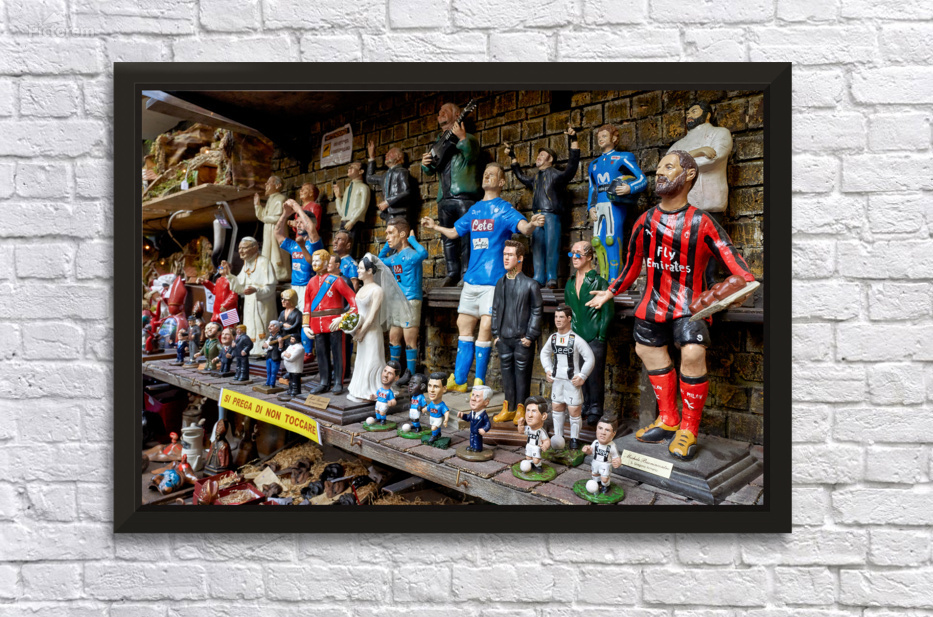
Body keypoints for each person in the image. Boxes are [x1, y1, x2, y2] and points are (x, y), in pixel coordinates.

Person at [587, 151, 756, 461]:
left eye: (668, 167)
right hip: (653, 304)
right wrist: (610, 292)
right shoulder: (645, 221)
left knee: (692, 353)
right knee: (647, 350)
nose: (659, 173)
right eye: (658, 168)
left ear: (688, 175)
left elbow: (737, 265)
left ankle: (689, 429)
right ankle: (668, 419)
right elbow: (631, 265)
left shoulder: (702, 222)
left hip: (691, 306)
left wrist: (739, 285)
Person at [421, 163, 545, 393]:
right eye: (485, 173)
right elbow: (455, 232)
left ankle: (479, 380)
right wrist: (435, 226)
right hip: (472, 279)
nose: (487, 176)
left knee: (486, 327)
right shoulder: (475, 209)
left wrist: (532, 224)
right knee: (464, 325)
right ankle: (460, 380)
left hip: (494, 280)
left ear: (501, 182)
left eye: (493, 174)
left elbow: (524, 228)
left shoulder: (504, 209)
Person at [667, 101, 734, 286]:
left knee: (712, 242)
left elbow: (714, 158)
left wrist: (681, 162)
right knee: (686, 242)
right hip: (685, 200)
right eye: (688, 111)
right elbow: (667, 165)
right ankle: (689, 281)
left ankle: (710, 280)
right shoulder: (679, 143)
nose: (689, 115)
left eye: (694, 111)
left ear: (707, 114)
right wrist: (698, 151)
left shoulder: (719, 133)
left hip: (711, 197)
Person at [506, 125, 580, 288]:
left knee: (552, 246)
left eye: (542, 155)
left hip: (551, 215)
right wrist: (513, 158)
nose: (538, 157)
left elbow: (571, 169)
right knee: (537, 246)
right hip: (536, 216)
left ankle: (552, 276)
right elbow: (521, 177)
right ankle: (539, 276)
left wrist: (574, 141)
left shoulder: (555, 175)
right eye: (538, 155)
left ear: (550, 159)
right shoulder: (535, 178)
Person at [420, 102, 482, 287]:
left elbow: (472, 156)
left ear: (457, 115)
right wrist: (425, 164)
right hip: (444, 197)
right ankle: (452, 272)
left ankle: (467, 272)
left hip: (463, 196)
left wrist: (462, 138)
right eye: (439, 112)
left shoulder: (469, 139)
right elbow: (431, 170)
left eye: (445, 112)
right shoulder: (438, 144)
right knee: (447, 239)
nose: (440, 114)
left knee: (467, 237)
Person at [490, 240, 543, 424]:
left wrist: (530, 336)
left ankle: (521, 408)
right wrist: (496, 334)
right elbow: (495, 309)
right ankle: (509, 407)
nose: (506, 258)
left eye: (510, 255)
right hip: (504, 339)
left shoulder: (530, 285)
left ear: (520, 258)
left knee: (522, 376)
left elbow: (537, 311)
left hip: (522, 340)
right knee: (506, 375)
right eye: (504, 254)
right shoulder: (500, 283)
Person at [346, 254, 410, 402]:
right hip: (361, 331)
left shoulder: (377, 290)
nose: (358, 271)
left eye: (361, 268)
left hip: (371, 332)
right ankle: (360, 389)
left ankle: (375, 389)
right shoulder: (361, 289)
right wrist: (349, 323)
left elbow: (372, 315)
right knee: (362, 360)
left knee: (373, 360)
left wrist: (362, 332)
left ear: (370, 271)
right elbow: (357, 311)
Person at [587, 124, 647, 281]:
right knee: (597, 241)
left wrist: (629, 187)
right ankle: (603, 276)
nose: (600, 139)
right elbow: (593, 188)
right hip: (599, 205)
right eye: (598, 137)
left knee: (611, 239)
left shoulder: (623, 157)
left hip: (615, 204)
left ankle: (615, 278)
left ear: (614, 138)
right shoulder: (593, 164)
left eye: (604, 136)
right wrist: (590, 207)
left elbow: (642, 179)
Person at [564, 240, 614, 426]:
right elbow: (568, 310)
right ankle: (584, 405)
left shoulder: (599, 282)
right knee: (578, 372)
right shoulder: (570, 283)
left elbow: (608, 312)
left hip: (594, 336)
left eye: (578, 253)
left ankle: (595, 408)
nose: (574, 257)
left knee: (595, 375)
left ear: (590, 257)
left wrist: (601, 335)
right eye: (572, 253)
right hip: (576, 335)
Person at [378, 217, 428, 385]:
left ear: (402, 234)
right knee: (393, 336)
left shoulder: (412, 255)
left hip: (410, 299)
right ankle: (394, 370)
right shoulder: (394, 258)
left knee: (409, 340)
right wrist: (389, 244)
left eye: (390, 233)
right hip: (397, 300)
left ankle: (411, 373)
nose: (387, 237)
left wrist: (411, 240)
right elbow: (380, 259)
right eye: (386, 233)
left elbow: (423, 253)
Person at [301, 249, 356, 395]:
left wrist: (342, 318)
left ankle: (338, 382)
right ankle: (324, 382)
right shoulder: (311, 282)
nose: (314, 263)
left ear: (326, 263)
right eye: (313, 261)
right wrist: (305, 325)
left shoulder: (336, 280)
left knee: (338, 354)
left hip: (334, 323)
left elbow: (353, 301)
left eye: (317, 260)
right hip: (317, 325)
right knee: (321, 355)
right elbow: (307, 305)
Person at [540, 305, 594, 451]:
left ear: (569, 318)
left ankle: (574, 439)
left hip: (571, 382)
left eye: (561, 317)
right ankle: (559, 437)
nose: (558, 320)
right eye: (556, 317)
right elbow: (544, 353)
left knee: (574, 410)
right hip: (558, 381)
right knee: (557, 407)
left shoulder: (575, 339)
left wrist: (582, 375)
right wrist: (548, 369)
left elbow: (589, 358)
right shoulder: (553, 338)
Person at [276, 199, 324, 356]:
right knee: (293, 318)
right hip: (295, 285)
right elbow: (277, 233)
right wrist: (285, 214)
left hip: (309, 285)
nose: (299, 225)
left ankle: (308, 352)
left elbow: (311, 228)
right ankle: (296, 348)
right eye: (297, 223)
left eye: (301, 222)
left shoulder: (314, 242)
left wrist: (297, 207)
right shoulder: (293, 244)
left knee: (306, 318)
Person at [220, 237, 276, 355]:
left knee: (263, 326)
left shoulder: (264, 262)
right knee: (249, 326)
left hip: (262, 302)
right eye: (239, 248)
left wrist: (256, 290)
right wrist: (228, 274)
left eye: (244, 248)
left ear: (255, 248)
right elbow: (240, 287)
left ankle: (263, 349)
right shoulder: (246, 263)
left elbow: (271, 287)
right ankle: (249, 349)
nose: (240, 251)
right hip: (249, 303)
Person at [365, 140, 412, 224]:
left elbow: (407, 192)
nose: (386, 155)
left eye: (390, 153)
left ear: (398, 156)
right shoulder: (385, 176)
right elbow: (369, 178)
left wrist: (387, 202)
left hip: (399, 213)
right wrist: (371, 158)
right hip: (388, 214)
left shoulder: (401, 172)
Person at [254, 175, 290, 282]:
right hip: (268, 231)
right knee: (268, 254)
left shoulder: (280, 199)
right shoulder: (270, 199)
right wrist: (257, 205)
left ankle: (280, 275)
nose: (266, 185)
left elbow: (278, 217)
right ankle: (269, 274)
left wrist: (265, 218)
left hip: (277, 230)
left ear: (278, 185)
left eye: (269, 182)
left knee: (277, 254)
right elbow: (262, 216)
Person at [333, 161, 370, 255]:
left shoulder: (363, 187)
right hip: (344, 222)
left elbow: (363, 206)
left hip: (355, 222)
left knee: (351, 249)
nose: (349, 168)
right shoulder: (347, 189)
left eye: (353, 167)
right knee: (340, 249)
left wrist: (353, 221)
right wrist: (338, 198)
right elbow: (342, 212)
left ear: (361, 171)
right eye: (349, 167)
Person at [581, 419, 622, 494]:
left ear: (613, 434)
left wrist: (618, 462)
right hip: (595, 462)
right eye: (600, 428)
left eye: (607, 430)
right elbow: (591, 451)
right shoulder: (595, 443)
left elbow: (616, 457)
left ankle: (605, 486)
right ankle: (597, 483)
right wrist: (587, 450)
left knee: (604, 479)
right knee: (595, 474)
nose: (603, 433)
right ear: (596, 430)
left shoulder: (612, 446)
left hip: (605, 464)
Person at [515, 396, 551, 474]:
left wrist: (545, 446)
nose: (529, 415)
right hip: (529, 445)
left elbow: (547, 440)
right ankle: (531, 465)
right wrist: (520, 425)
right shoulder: (528, 428)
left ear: (543, 416)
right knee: (528, 457)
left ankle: (538, 466)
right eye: (528, 410)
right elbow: (521, 431)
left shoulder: (541, 431)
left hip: (536, 447)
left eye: (534, 411)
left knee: (536, 459)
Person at [458, 385, 493, 453]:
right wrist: (462, 416)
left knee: (477, 440)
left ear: (486, 402)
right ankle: (472, 446)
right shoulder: (472, 413)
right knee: (472, 439)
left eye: (477, 396)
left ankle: (477, 448)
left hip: (478, 432)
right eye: (473, 395)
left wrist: (484, 429)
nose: (473, 399)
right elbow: (468, 418)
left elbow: (488, 424)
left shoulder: (483, 415)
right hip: (472, 431)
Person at [425, 371, 450, 444]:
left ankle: (434, 436)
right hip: (432, 417)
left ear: (444, 389)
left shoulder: (441, 405)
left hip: (438, 418)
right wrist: (423, 409)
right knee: (434, 427)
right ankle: (438, 434)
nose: (431, 390)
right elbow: (427, 408)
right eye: (430, 386)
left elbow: (446, 412)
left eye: (436, 387)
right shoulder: (431, 403)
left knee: (433, 428)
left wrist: (446, 420)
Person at [262, 320, 285, 388]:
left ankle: (272, 383)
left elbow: (280, 350)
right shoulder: (270, 337)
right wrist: (264, 346)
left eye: (271, 326)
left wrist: (280, 344)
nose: (269, 327)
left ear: (277, 328)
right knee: (268, 371)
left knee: (273, 372)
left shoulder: (279, 337)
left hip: (275, 357)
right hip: (268, 356)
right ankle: (267, 383)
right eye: (269, 326)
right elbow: (265, 346)